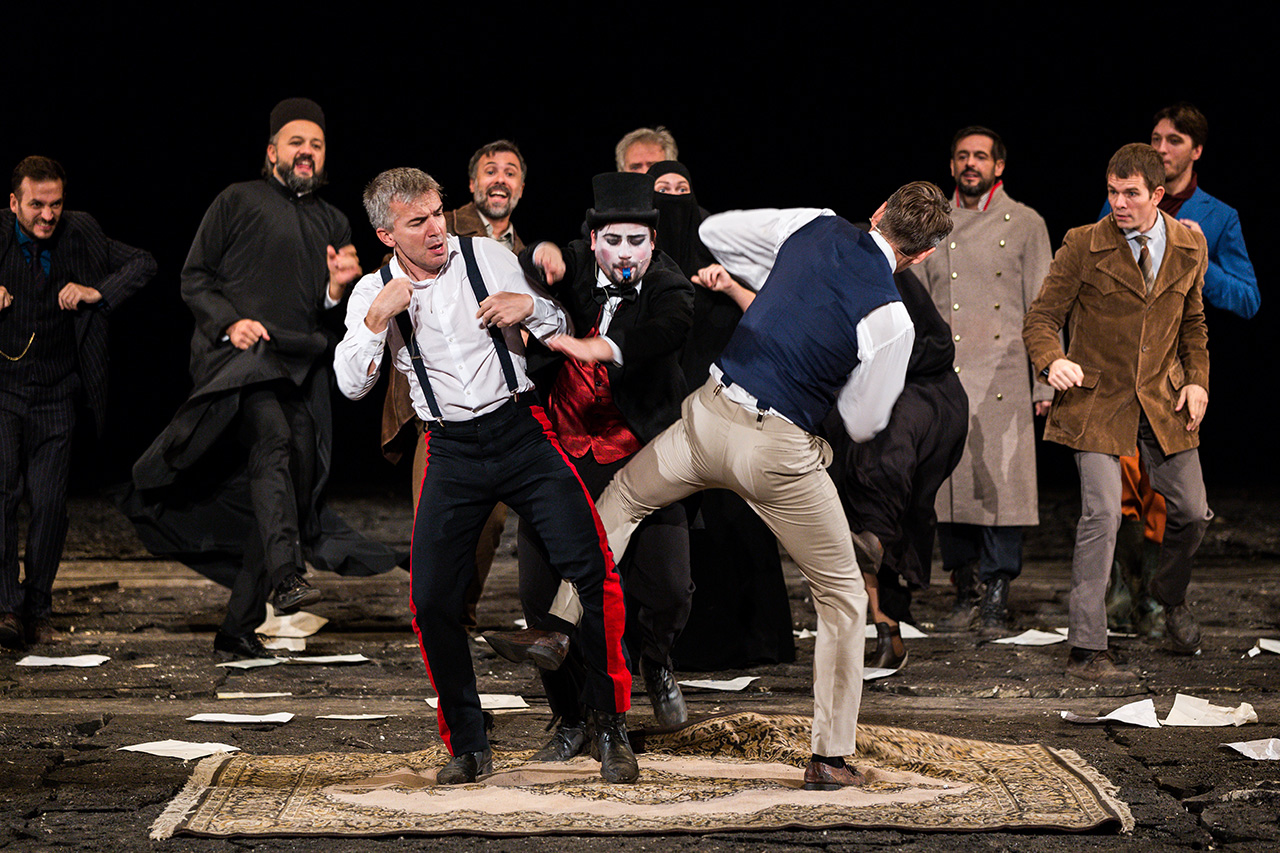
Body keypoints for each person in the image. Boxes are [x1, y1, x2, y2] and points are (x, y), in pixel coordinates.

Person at [593, 183, 952, 789]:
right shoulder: (892, 319)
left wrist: (785, 281)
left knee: (623, 498)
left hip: (708, 416)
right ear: (923, 255)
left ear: (878, 211)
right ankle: (829, 759)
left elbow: (716, 233)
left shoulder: (816, 222)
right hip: (777, 451)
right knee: (843, 597)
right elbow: (863, 420)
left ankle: (558, 624)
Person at [334, 167, 638, 784]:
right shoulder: (373, 291)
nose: (436, 229)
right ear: (387, 235)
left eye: (437, 213)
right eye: (417, 222)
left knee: (594, 570)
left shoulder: (487, 256)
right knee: (430, 602)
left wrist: (532, 307)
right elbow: (351, 384)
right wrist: (374, 324)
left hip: (521, 432)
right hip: (450, 451)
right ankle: (469, 745)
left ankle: (609, 723)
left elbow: (558, 325)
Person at [120, 98, 401, 661]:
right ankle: (287, 575)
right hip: (240, 363)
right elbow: (194, 277)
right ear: (272, 151)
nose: (307, 152)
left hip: (295, 364)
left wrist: (336, 289)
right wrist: (231, 322)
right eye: (296, 143)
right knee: (272, 439)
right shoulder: (238, 200)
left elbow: (322, 310)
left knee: (287, 487)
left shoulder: (332, 221)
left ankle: (237, 628)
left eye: (316, 144)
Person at [493, 172, 694, 749]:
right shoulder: (578, 263)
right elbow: (540, 260)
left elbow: (663, 333)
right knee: (542, 596)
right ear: (594, 239)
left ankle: (655, 658)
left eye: (637, 242)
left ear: (653, 242)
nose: (625, 254)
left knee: (668, 588)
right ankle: (573, 716)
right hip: (562, 451)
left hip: (639, 454)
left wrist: (597, 347)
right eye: (613, 241)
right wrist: (541, 253)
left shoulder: (670, 285)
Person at [1023, 143, 1213, 683]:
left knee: (1193, 511)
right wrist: (1053, 360)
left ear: (1158, 194)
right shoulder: (1084, 243)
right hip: (1097, 400)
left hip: (1162, 398)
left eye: (1131, 193)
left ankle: (1168, 593)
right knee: (1102, 514)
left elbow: (1193, 325)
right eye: (1112, 192)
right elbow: (1041, 318)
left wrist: (1197, 381)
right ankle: (1087, 649)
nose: (1119, 203)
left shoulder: (1188, 245)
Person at [1099, 104, 1259, 635]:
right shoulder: (1122, 201)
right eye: (1156, 138)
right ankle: (1124, 592)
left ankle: (1162, 596)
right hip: (1120, 369)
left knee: (1173, 499)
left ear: (1196, 151)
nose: (1162, 149)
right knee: (1123, 486)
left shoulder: (1217, 217)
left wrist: (1200, 259)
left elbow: (1248, 299)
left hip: (1178, 372)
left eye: (1174, 141)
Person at [0, 156, 155, 650]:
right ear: (14, 203)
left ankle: (38, 607)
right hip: (4, 389)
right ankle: (6, 607)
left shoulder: (80, 231)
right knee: (3, 495)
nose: (48, 215)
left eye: (56, 204)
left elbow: (143, 262)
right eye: (36, 205)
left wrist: (97, 292)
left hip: (57, 390)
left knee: (49, 503)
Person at [648, 160, 796, 670]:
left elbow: (771, 319)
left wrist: (729, 285)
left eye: (682, 189)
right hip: (661, 411)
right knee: (669, 525)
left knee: (735, 520)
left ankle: (752, 642)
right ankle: (667, 645)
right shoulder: (638, 261)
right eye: (662, 190)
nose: (673, 198)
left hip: (726, 408)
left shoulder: (721, 254)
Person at [380, 140, 529, 635]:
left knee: (491, 523)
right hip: (439, 413)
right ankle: (437, 618)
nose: (500, 179)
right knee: (440, 520)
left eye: (511, 171)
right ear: (472, 184)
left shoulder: (522, 251)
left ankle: (458, 617)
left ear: (521, 187)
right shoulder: (440, 227)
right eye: (490, 170)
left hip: (500, 409)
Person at [917, 127, 1053, 636]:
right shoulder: (933, 222)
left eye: (980, 156)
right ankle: (964, 589)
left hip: (1005, 373)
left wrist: (1045, 382)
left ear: (999, 166)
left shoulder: (1026, 223)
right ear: (951, 165)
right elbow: (918, 301)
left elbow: (1044, 309)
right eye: (962, 156)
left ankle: (997, 591)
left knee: (1003, 487)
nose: (970, 163)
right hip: (945, 374)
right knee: (950, 485)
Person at [824, 261, 968, 671]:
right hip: (855, 398)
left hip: (921, 390)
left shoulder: (883, 275)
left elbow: (935, 346)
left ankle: (880, 584)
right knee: (854, 500)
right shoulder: (819, 278)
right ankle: (886, 629)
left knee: (877, 478)